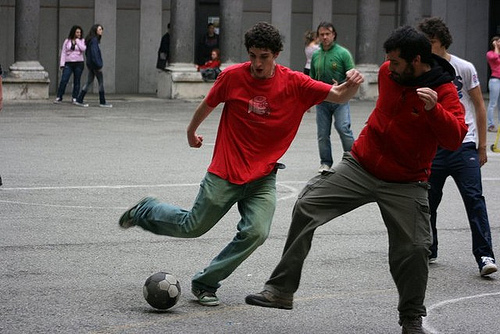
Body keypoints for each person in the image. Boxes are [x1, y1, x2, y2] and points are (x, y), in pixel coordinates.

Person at [118, 22, 363, 307]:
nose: (257, 63)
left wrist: (352, 84)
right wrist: (190, 132)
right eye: (253, 55)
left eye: (264, 57)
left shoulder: (295, 83)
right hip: (225, 171)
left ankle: (206, 282)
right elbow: (208, 104)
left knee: (256, 232)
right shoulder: (233, 77)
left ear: (277, 54)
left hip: (262, 178)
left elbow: (338, 96)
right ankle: (146, 209)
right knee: (192, 227)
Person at [245, 25, 467, 334]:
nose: (388, 68)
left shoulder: (443, 91)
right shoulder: (391, 71)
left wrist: (434, 111)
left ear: (417, 60)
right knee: (307, 204)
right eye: (387, 61)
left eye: (397, 62)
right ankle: (280, 291)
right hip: (361, 165)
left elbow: (455, 138)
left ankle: (411, 317)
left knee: (416, 249)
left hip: (406, 181)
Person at [418, 17, 497, 277]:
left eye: (432, 43)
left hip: (465, 145)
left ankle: (485, 255)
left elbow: (479, 105)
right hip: (436, 147)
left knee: (475, 200)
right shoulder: (422, 71)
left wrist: (482, 146)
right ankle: (430, 248)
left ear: (442, 43)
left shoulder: (463, 67)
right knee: (428, 201)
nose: (428, 47)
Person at [310, 22, 356, 173]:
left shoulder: (343, 53)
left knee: (343, 127)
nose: (324, 37)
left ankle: (353, 161)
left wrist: (343, 83)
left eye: (327, 34)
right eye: (321, 34)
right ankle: (325, 163)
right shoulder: (316, 54)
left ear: (333, 35)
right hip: (322, 99)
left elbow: (352, 75)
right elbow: (312, 78)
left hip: (340, 98)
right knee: (323, 133)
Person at [74, 24, 112, 108]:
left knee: (89, 82)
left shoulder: (90, 40)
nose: (101, 31)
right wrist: (99, 65)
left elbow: (89, 54)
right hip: (95, 66)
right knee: (100, 83)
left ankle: (79, 99)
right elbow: (94, 54)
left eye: (101, 29)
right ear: (95, 30)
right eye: (99, 29)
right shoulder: (94, 41)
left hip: (91, 65)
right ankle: (102, 101)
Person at [54, 25, 86, 104]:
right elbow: (63, 52)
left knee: (77, 80)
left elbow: (83, 49)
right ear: (73, 32)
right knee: (64, 79)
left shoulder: (82, 40)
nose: (79, 34)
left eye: (80, 32)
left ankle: (75, 97)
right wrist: (62, 64)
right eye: (77, 32)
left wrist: (77, 41)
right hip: (68, 63)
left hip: (79, 63)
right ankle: (59, 96)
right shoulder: (67, 41)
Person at [486, 36, 500, 132]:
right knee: (493, 103)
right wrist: (495, 47)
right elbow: (495, 57)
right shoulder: (490, 53)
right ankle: (491, 125)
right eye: (498, 41)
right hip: (495, 80)